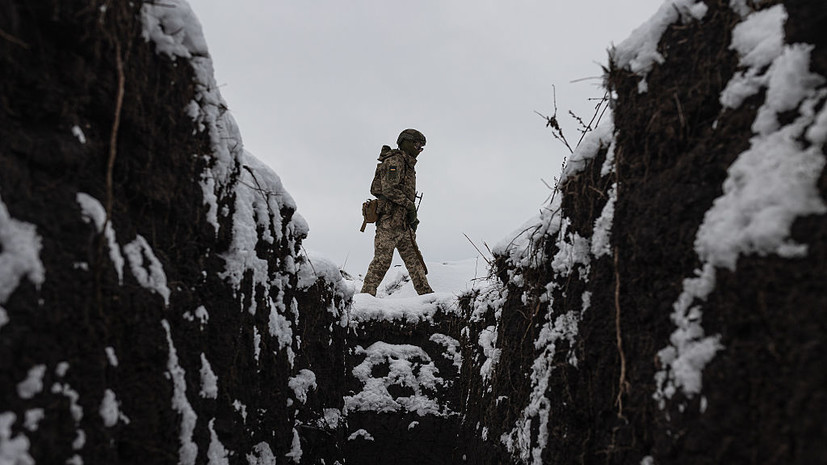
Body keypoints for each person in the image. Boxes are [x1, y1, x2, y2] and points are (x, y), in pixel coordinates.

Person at [360, 129, 434, 296]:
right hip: (389, 222)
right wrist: (410, 206)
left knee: (415, 262)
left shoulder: (407, 164)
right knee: (382, 262)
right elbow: (389, 189)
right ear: (406, 142)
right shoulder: (396, 160)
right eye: (417, 144)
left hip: (403, 224)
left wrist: (410, 216)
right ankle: (365, 299)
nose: (419, 149)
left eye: (421, 147)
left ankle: (428, 298)